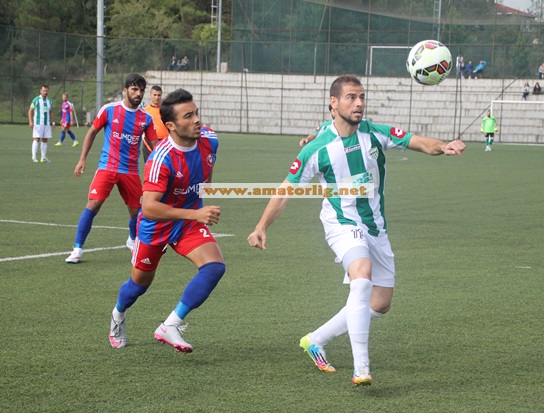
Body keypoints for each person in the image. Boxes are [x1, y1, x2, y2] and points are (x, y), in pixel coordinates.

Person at [247, 75, 466, 386]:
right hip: (341, 223)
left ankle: (315, 339)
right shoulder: (317, 148)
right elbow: (285, 191)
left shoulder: (374, 132)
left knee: (380, 303)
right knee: (361, 277)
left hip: (375, 225)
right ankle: (361, 367)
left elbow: (418, 142)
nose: (359, 103)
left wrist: (444, 146)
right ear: (333, 103)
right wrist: (261, 226)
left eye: (362, 96)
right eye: (351, 97)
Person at [108, 88, 225, 353]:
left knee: (214, 267)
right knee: (138, 285)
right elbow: (149, 208)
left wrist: (199, 203)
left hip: (188, 223)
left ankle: (170, 324)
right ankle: (118, 314)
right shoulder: (161, 158)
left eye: (196, 113)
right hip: (156, 225)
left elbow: (207, 173)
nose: (197, 120)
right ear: (171, 125)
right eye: (188, 116)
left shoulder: (210, 140)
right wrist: (195, 213)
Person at [65, 74, 159, 264]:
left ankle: (132, 240)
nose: (138, 93)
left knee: (136, 212)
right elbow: (92, 132)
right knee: (93, 204)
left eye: (141, 90)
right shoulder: (109, 110)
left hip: (130, 171)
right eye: (134, 89)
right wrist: (82, 159)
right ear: (125, 90)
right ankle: (77, 249)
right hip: (107, 167)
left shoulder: (146, 118)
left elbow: (156, 145)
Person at [28, 84, 56, 163]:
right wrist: (30, 121)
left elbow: (51, 112)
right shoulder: (36, 100)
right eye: (44, 91)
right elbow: (30, 111)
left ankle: (43, 157)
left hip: (46, 123)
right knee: (37, 138)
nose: (45, 92)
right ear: (41, 91)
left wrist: (53, 123)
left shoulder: (49, 101)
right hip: (38, 123)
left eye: (46, 91)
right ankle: (34, 157)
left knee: (45, 139)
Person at [142, 85, 167, 163]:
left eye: (159, 95)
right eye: (155, 95)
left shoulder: (165, 110)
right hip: (148, 143)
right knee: (150, 165)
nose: (157, 97)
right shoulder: (145, 111)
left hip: (164, 142)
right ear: (150, 95)